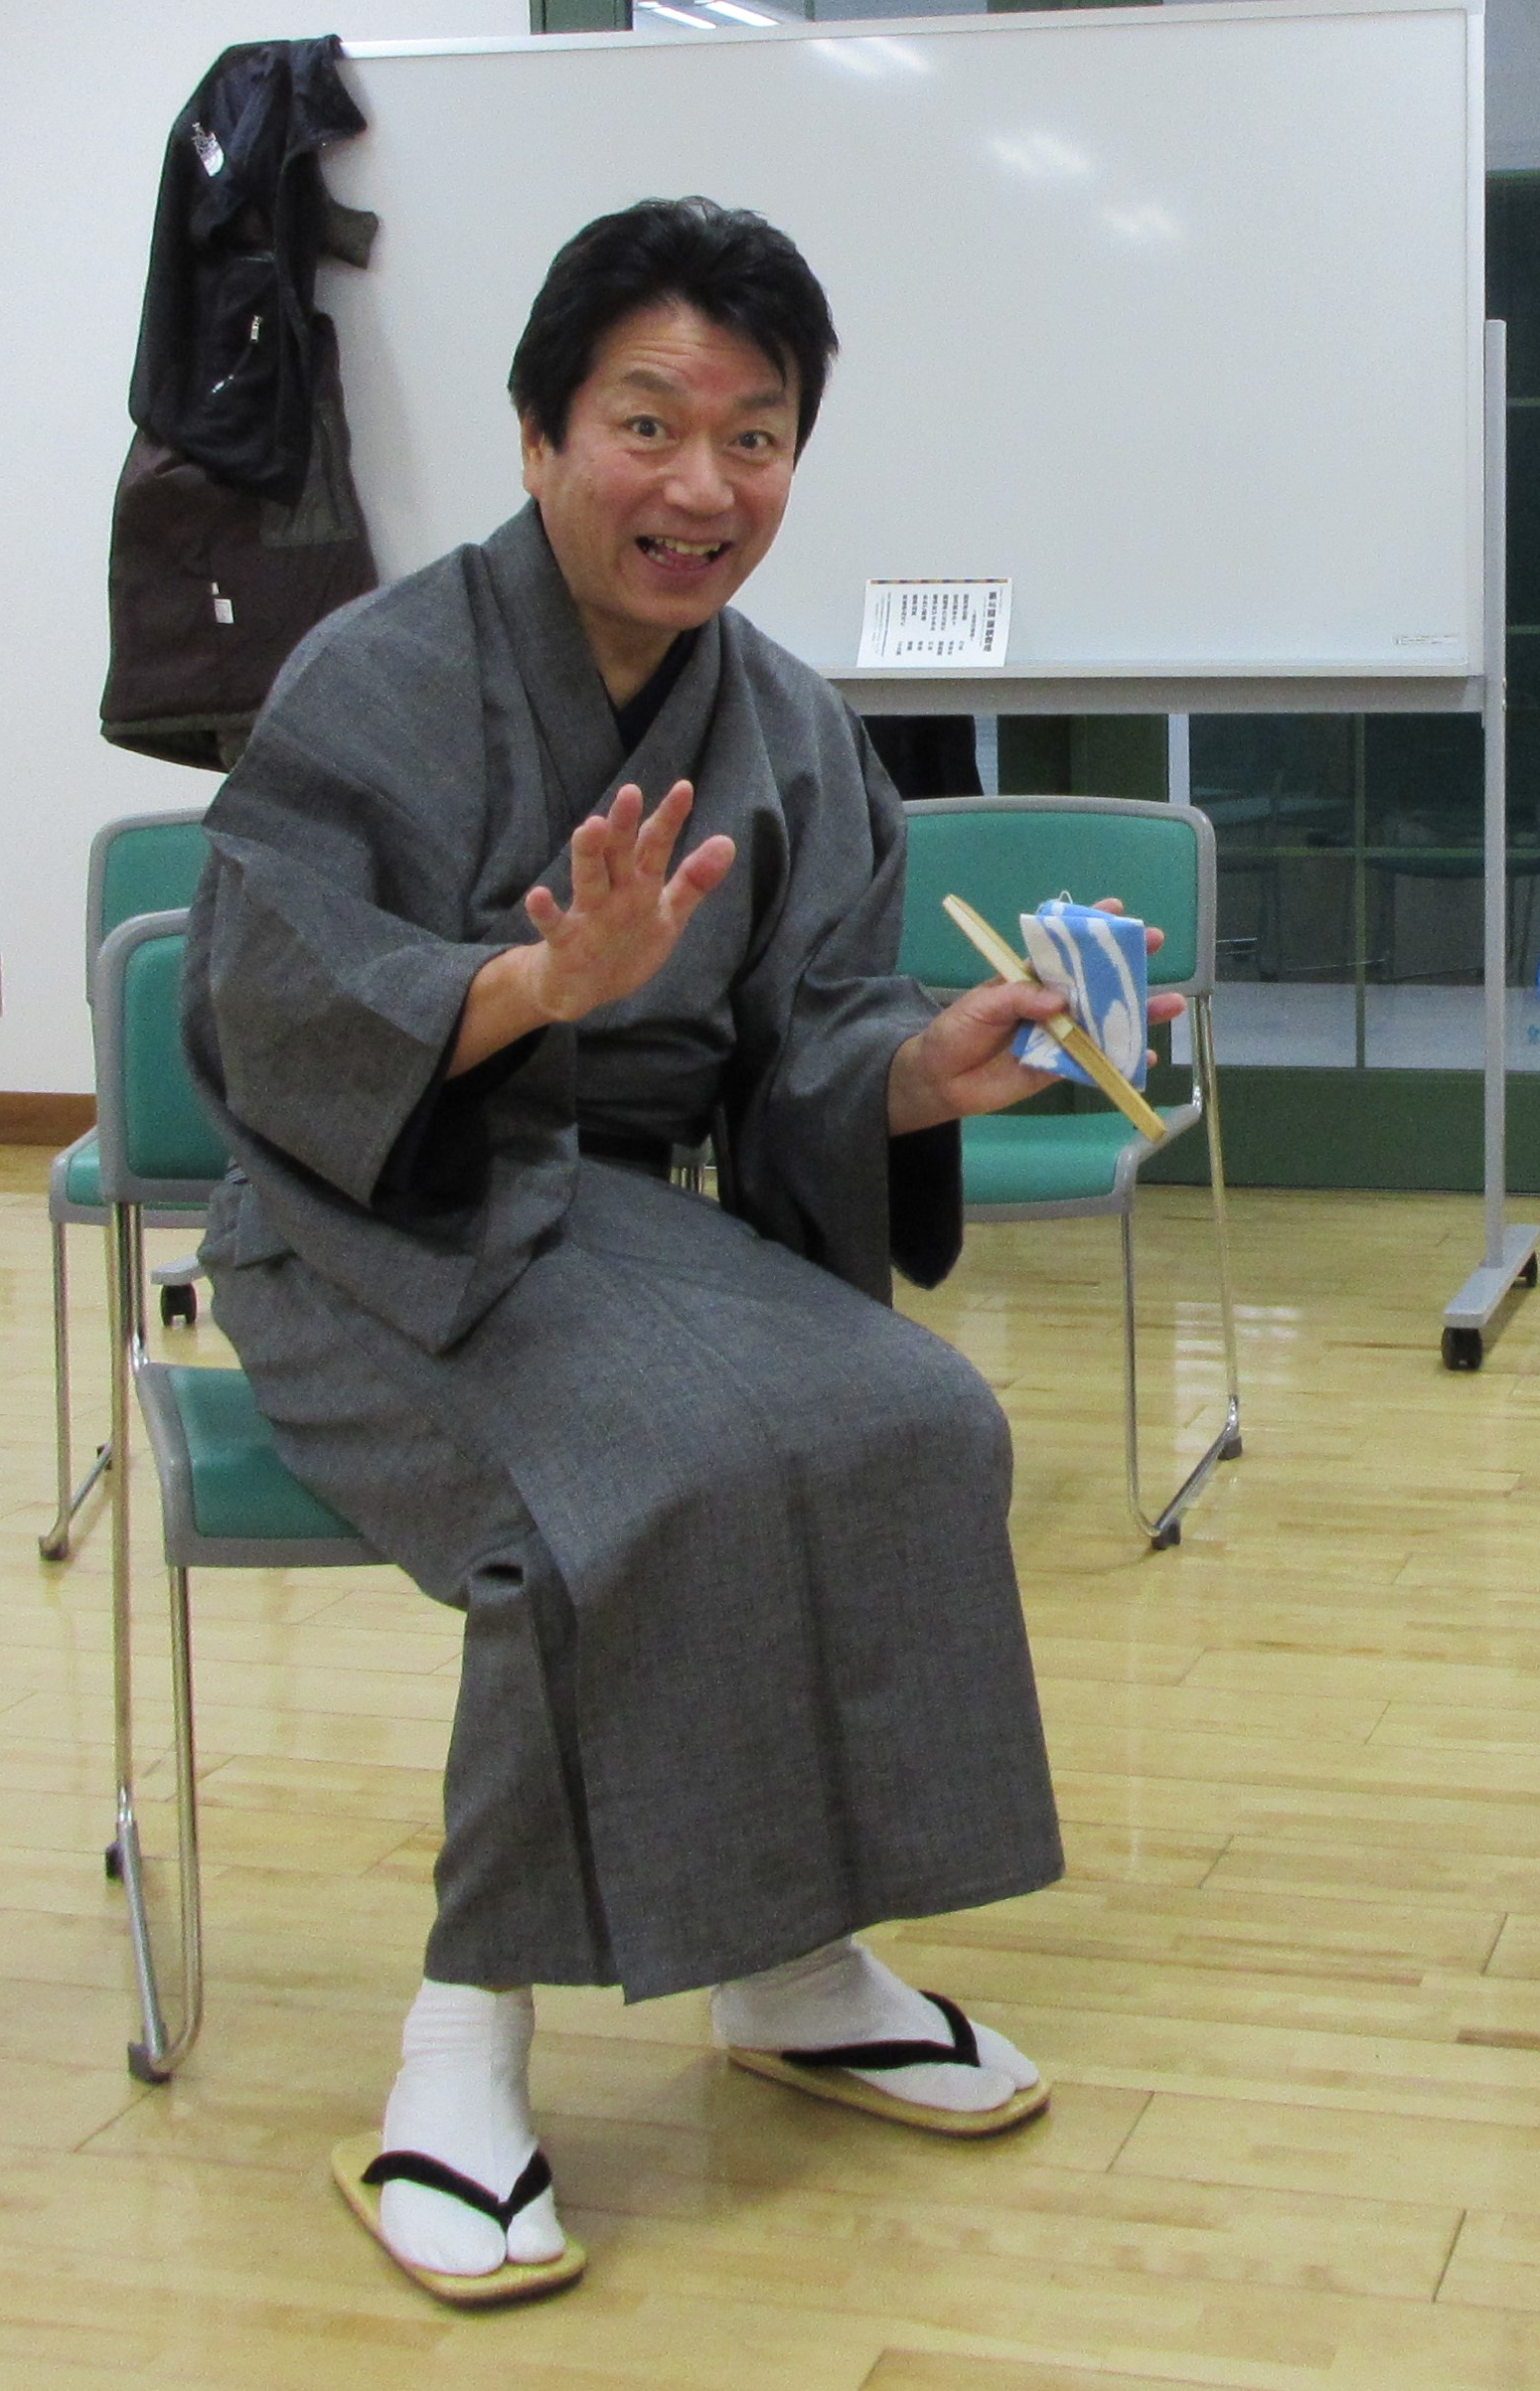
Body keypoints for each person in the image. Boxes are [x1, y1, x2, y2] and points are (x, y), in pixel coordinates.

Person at [185, 197, 1167, 2302]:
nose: (701, 485)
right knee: (617, 1494)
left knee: (916, 1419)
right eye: (647, 423)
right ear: (540, 432)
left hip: (614, 1225)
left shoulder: (793, 727)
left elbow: (815, 1040)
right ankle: (459, 2046)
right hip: (364, 1220)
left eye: (756, 436)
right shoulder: (376, 678)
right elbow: (273, 1009)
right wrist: (534, 988)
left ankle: (790, 1960)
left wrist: (925, 1070)